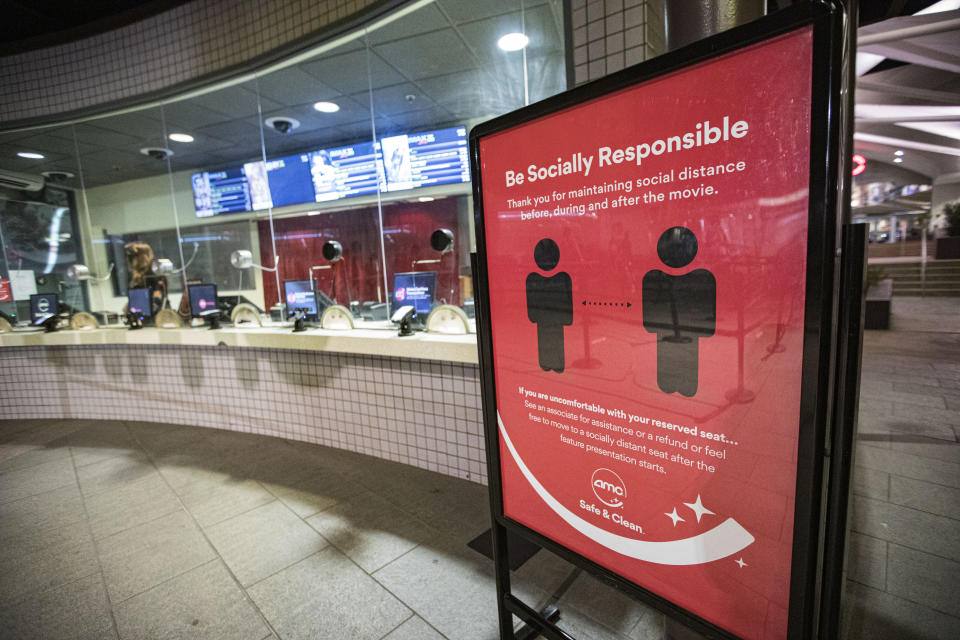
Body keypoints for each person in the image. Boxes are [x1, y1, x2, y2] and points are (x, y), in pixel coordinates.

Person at [642, 227, 716, 396]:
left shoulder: (680, 248)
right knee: (674, 364)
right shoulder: (678, 249)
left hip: (682, 314)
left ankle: (682, 385)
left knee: (684, 366)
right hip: (679, 310)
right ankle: (676, 384)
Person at [526, 238, 573, 373]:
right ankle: (555, 364)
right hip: (557, 318)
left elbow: (531, 300)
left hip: (543, 319)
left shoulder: (532, 277)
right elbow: (568, 297)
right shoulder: (563, 276)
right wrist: (567, 318)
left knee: (546, 340)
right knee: (555, 339)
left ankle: (547, 364)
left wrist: (533, 316)